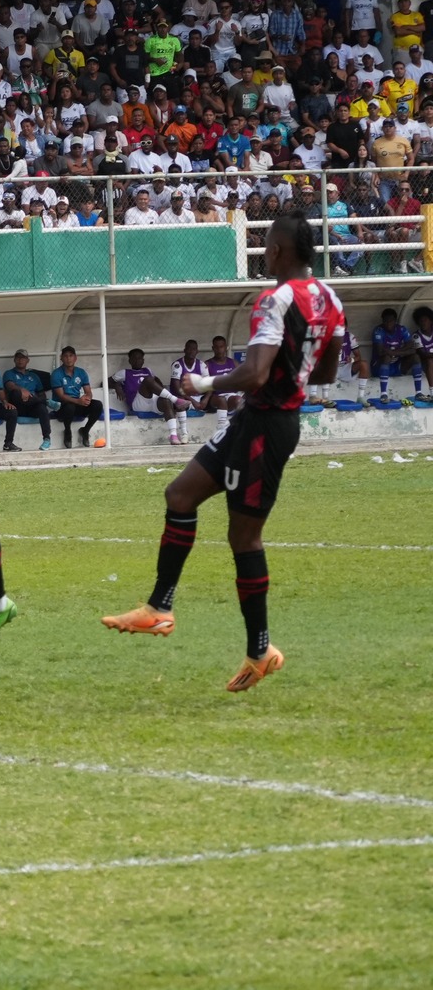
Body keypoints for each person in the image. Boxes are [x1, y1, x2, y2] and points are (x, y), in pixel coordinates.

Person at [102, 215, 345, 692]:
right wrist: (286, 373)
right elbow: (325, 373)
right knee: (180, 495)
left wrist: (206, 382)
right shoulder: (330, 298)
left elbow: (254, 374)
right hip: (256, 421)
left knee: (244, 538)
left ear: (277, 250)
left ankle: (260, 650)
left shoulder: (274, 300)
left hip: (265, 428)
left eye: (267, 243)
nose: (264, 250)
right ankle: (159, 607)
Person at [112, 347, 192, 446]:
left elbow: (157, 382)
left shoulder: (148, 370)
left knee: (165, 400)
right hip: (138, 403)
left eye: (140, 358)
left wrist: (160, 385)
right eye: (134, 358)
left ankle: (175, 435)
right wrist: (117, 386)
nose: (137, 361)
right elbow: (107, 381)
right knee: (148, 380)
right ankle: (175, 399)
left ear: (143, 360)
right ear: (130, 360)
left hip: (152, 401)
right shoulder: (125, 372)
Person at [48, 345, 105, 448]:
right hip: (62, 407)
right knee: (70, 406)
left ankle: (85, 430)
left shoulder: (81, 372)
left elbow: (88, 391)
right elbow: (61, 396)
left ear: (75, 358)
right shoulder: (56, 374)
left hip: (77, 403)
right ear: (61, 358)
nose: (68, 358)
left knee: (97, 405)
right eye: (65, 356)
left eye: (71, 355)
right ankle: (67, 432)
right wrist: (78, 401)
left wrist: (87, 399)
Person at [0, 349, 52, 450]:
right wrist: (22, 390)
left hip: (31, 408)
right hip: (17, 407)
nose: (20, 360)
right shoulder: (9, 373)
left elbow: (42, 394)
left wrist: (36, 398)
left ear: (27, 360)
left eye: (23, 358)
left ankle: (47, 439)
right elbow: (9, 386)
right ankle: (47, 402)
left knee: (42, 407)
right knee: (16, 392)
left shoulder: (34, 376)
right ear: (14, 360)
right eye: (18, 358)